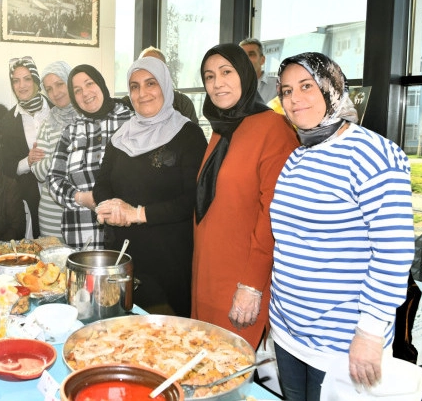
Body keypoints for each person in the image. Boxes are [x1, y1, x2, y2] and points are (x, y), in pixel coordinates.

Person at [269, 52, 414, 400]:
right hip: (288, 333)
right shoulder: (298, 156)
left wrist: (370, 333)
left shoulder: (373, 154)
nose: (295, 98)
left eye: (306, 86)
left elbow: (393, 253)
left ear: (331, 87)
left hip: (343, 343)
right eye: (287, 91)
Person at [191, 43, 299, 348]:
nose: (217, 83)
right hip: (207, 274)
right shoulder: (221, 128)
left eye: (226, 72)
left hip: (242, 279)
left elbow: (273, 216)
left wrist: (251, 285)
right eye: (209, 76)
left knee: (231, 365)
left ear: (245, 74)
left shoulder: (274, 128)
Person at [93, 57, 207, 316]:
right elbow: (101, 184)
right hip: (123, 255)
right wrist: (110, 207)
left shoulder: (188, 135)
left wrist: (137, 213)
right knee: (121, 329)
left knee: (165, 333)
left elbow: (192, 200)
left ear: (165, 86)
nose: (142, 93)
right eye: (134, 86)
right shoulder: (122, 135)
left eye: (150, 83)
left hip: (168, 259)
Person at [47, 64, 133, 248]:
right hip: (81, 237)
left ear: (100, 84)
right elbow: (53, 179)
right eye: (77, 90)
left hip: (126, 234)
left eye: (89, 83)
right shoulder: (71, 131)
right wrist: (80, 198)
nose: (85, 93)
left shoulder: (132, 122)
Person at [0, 56, 51, 238]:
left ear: (36, 80)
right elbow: (6, 166)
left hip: (63, 193)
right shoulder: (8, 121)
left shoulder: (56, 109)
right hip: (31, 196)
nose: (21, 85)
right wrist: (27, 161)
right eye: (16, 81)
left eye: (27, 79)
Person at [29, 61, 77, 238]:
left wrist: (54, 158)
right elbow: (39, 172)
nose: (55, 93)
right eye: (49, 89)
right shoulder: (48, 123)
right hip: (51, 215)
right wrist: (67, 153)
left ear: (71, 82)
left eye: (60, 84)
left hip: (84, 211)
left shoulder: (89, 118)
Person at [120, 47, 199, 124]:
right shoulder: (124, 106)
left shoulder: (182, 103)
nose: (142, 94)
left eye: (151, 84)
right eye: (142, 66)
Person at [239, 38, 278, 105]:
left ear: (262, 60)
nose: (246, 59)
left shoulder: (277, 85)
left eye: (251, 54)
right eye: (243, 55)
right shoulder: (231, 87)